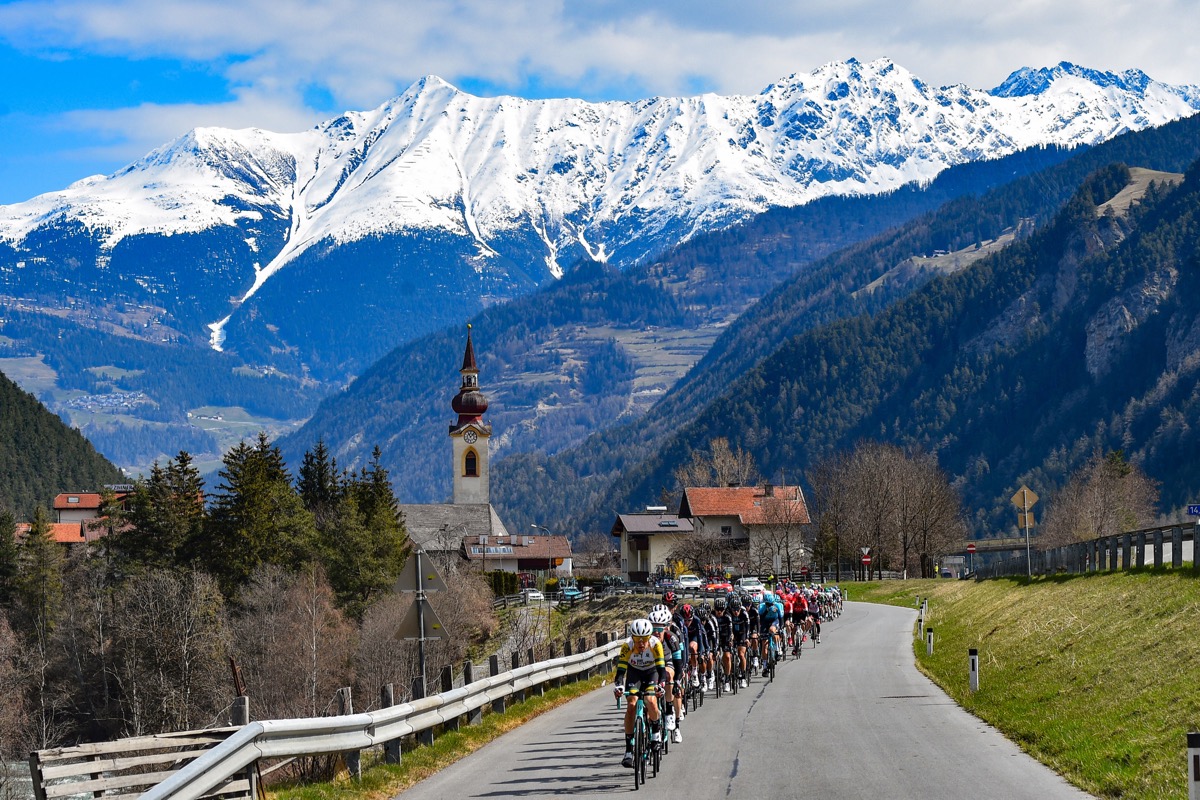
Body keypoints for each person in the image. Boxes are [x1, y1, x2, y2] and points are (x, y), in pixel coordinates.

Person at [613, 618, 667, 768]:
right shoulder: (627, 646)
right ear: (633, 638)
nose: (641, 643)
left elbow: (662, 670)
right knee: (631, 704)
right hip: (634, 673)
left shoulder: (656, 644)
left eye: (644, 639)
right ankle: (629, 750)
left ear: (649, 637)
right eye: (637, 640)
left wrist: (661, 685)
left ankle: (656, 732)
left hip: (651, 672)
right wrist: (618, 686)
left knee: (650, 699)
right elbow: (620, 671)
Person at [648, 606, 685, 743]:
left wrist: (678, 680)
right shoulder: (646, 639)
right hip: (652, 666)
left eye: (660, 629)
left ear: (666, 628)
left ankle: (672, 715)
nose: (656, 633)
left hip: (668, 662)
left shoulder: (672, 638)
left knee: (670, 677)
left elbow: (679, 663)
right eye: (653, 629)